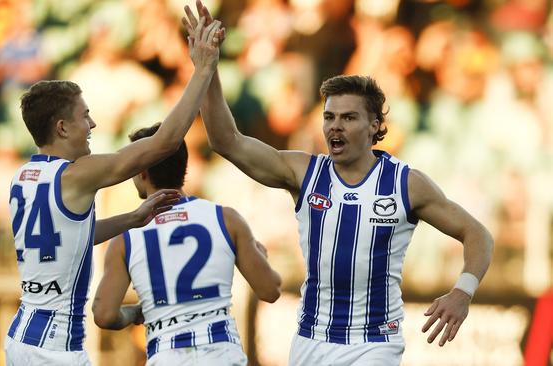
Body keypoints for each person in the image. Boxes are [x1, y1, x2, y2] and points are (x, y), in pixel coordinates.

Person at [183, 2, 494, 365]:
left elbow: (478, 234)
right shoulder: (304, 173)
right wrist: (207, 70)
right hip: (311, 340)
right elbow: (226, 141)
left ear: (376, 126)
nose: (335, 126)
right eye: (329, 116)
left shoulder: (406, 184)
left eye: (348, 117)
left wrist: (463, 291)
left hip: (374, 343)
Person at [4, 17, 224, 366]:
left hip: (22, 336)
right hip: (55, 348)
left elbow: (68, 237)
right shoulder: (76, 175)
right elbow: (164, 143)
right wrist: (203, 70)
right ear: (62, 127)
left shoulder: (24, 175)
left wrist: (132, 219)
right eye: (85, 116)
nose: (92, 124)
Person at [92, 123, 282, 366]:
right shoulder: (225, 219)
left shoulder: (126, 238)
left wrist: (135, 312)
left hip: (167, 355)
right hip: (223, 354)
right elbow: (270, 290)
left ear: (141, 172)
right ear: (184, 166)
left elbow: (104, 315)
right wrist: (260, 255)